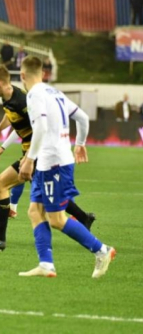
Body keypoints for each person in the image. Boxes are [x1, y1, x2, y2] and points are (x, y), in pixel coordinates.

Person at [0, 65, 95, 251]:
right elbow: (11, 117)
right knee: (51, 197)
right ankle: (84, 218)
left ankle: (1, 238)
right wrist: (0, 131)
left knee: (0, 185)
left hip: (39, 155)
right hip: (34, 155)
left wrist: (29, 158)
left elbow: (40, 128)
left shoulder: (24, 101)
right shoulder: (9, 97)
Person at [18, 56, 115, 278]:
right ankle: (46, 264)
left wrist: (29, 159)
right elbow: (81, 118)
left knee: (57, 219)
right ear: (43, 73)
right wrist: (79, 144)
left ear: (22, 75)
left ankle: (102, 250)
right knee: (35, 211)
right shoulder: (54, 92)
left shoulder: (33, 95)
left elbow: (41, 127)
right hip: (47, 163)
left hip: (54, 163)